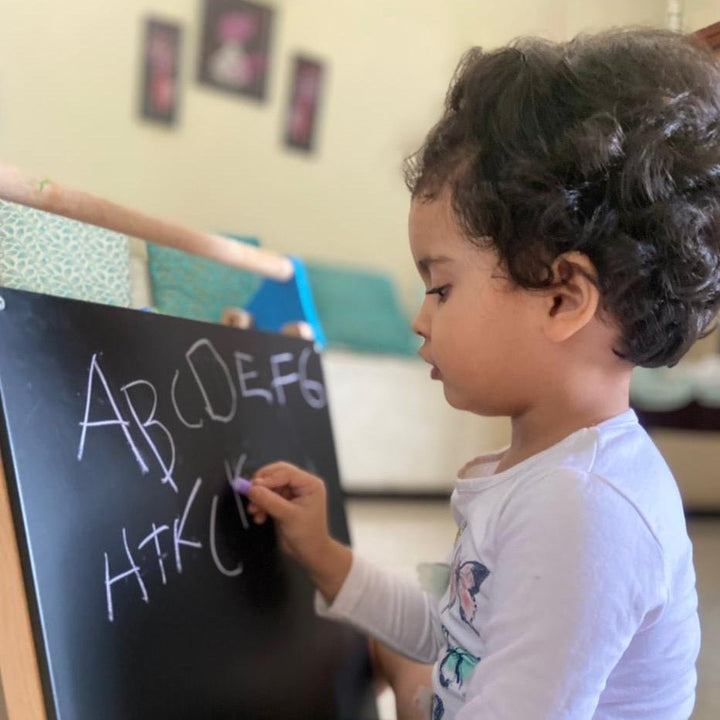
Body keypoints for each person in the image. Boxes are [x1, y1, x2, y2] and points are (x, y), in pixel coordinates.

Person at [245, 28, 720, 719]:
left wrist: (413, 698)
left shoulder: (583, 508)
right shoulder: (550, 473)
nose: (420, 317)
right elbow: (460, 639)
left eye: (440, 288)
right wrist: (324, 553)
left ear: (563, 298)